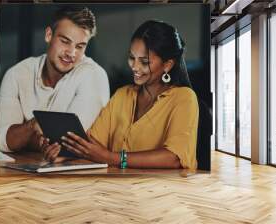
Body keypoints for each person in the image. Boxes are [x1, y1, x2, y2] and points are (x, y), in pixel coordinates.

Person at [43, 20, 199, 170]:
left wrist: (111, 158)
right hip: (116, 189)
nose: (135, 67)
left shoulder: (184, 98)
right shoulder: (122, 95)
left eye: (144, 62)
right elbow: (94, 145)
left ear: (167, 65)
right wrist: (67, 153)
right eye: (132, 58)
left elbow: (174, 158)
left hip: (164, 192)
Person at [0, 6, 110, 152]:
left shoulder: (94, 75)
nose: (71, 53)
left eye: (80, 46)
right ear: (49, 35)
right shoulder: (17, 74)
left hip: (76, 170)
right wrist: (33, 125)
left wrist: (27, 134)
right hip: (25, 168)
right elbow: (1, 140)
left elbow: (68, 143)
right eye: (65, 41)